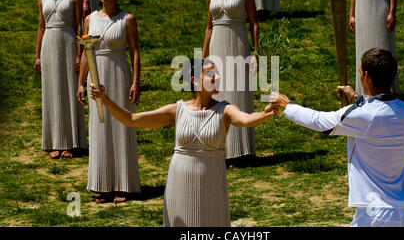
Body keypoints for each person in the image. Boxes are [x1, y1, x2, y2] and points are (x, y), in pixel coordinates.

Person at [89, 59, 277, 226]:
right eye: (211, 73)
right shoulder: (178, 110)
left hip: (211, 182)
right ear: (194, 80)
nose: (217, 77)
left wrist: (265, 114)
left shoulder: (225, 109)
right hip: (180, 180)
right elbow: (131, 119)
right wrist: (105, 100)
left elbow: (246, 120)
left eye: (217, 73)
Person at [269, 48, 404, 227]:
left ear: (366, 75)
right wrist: (356, 97)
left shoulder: (365, 116)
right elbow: (377, 110)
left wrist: (286, 105)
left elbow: (320, 122)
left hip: (375, 214)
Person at [77, 0, 141, 203]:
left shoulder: (127, 19)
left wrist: (135, 81)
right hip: (96, 77)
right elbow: (87, 52)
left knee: (122, 126)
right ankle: (102, 185)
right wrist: (81, 83)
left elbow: (134, 51)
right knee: (100, 128)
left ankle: (123, 185)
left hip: (119, 75)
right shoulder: (89, 19)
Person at [202, 0, 259, 168]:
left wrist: (256, 52)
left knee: (238, 93)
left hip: (238, 45)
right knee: (219, 93)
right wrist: (204, 57)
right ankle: (222, 148)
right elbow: (209, 27)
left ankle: (241, 150)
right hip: (217, 46)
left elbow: (254, 22)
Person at [34, 0, 87, 159]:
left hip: (68, 42)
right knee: (52, 90)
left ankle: (71, 142)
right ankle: (54, 142)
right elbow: (40, 26)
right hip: (49, 44)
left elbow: (79, 26)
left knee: (68, 90)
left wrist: (79, 53)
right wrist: (38, 55)